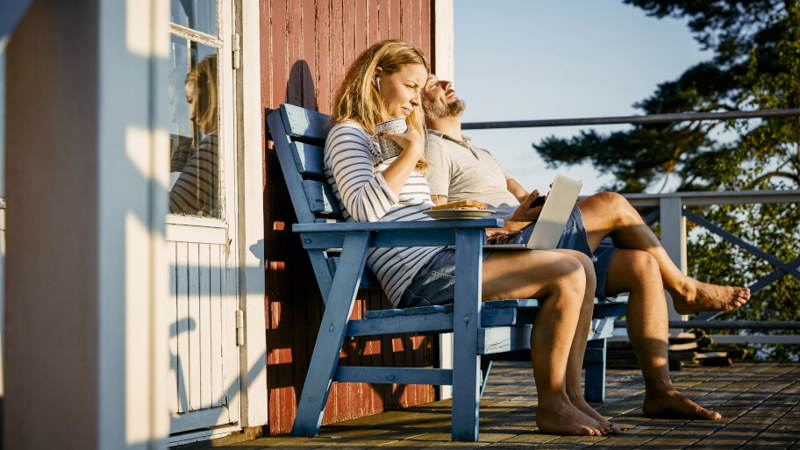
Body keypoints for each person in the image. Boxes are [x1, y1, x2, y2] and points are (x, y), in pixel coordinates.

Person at [323, 39, 617, 436]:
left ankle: (571, 397)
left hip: (446, 255)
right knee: (566, 271)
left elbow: (419, 213)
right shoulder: (348, 134)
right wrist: (411, 152)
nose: (415, 100)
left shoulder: (392, 138)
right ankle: (552, 405)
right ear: (377, 78)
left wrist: (505, 228)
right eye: (410, 87)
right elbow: (363, 210)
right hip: (419, 275)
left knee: (580, 263)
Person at [421, 73, 752, 421]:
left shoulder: (482, 152)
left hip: (533, 234)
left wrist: (549, 205)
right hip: (506, 249)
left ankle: (660, 392)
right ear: (421, 103)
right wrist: (506, 226)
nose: (444, 82)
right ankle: (684, 289)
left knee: (642, 265)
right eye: (430, 84)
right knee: (611, 203)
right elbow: (442, 216)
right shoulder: (433, 147)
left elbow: (522, 199)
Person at [169, 55, 219, 217]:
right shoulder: (222, 144)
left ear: (210, 95)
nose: (191, 115)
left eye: (190, 100)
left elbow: (168, 209)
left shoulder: (212, 145)